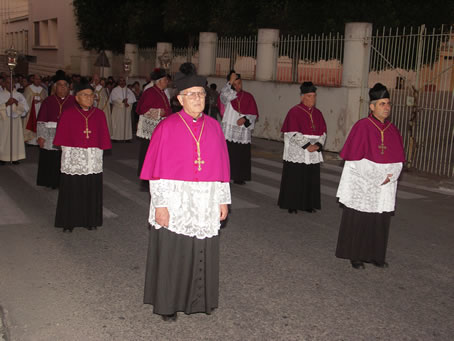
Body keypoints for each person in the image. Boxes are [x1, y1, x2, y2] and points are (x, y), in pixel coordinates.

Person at [140, 63, 231, 321]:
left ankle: (198, 300)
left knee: (201, 249)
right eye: (191, 94)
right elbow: (156, 173)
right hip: (175, 199)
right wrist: (160, 205)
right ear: (179, 99)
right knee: (174, 252)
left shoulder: (214, 127)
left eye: (201, 94)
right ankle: (168, 304)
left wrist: (223, 200)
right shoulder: (166, 127)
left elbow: (222, 167)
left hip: (205, 200)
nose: (198, 98)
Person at [335, 83, 405, 269]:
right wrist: (377, 177)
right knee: (361, 218)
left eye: (388, 103)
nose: (387, 107)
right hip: (364, 182)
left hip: (385, 183)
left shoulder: (392, 129)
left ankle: (376, 255)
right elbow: (355, 160)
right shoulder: (362, 126)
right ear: (372, 106)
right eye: (382, 103)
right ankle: (356, 255)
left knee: (380, 219)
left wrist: (391, 176)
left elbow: (399, 160)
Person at [53, 79, 111, 232]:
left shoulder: (99, 115)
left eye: (91, 95)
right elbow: (62, 139)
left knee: (92, 188)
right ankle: (69, 221)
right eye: (85, 95)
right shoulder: (68, 114)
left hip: (93, 158)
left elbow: (103, 137)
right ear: (77, 97)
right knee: (72, 188)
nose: (89, 98)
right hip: (74, 158)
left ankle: (90, 220)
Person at [278, 82, 327, 214]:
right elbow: (292, 132)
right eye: (309, 96)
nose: (312, 99)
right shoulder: (294, 111)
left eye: (314, 96)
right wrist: (307, 145)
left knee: (311, 179)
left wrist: (317, 145)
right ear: (302, 97)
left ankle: (308, 204)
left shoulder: (318, 113)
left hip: (312, 152)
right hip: (298, 152)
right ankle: (292, 204)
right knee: (295, 178)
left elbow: (323, 132)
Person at [219, 70, 258, 185]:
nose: (238, 86)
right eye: (235, 84)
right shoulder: (229, 96)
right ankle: (226, 175)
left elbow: (253, 113)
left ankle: (239, 176)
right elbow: (223, 97)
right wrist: (230, 83)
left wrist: (245, 119)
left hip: (242, 130)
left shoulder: (248, 96)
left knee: (241, 154)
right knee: (228, 153)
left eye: (239, 83)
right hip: (229, 128)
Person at [36, 73, 75, 189]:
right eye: (59, 85)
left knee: (66, 158)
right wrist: (41, 136)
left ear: (68, 88)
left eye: (65, 85)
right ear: (55, 87)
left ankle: (66, 182)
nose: (62, 88)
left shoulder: (74, 101)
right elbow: (41, 120)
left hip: (68, 135)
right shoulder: (48, 101)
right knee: (51, 159)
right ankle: (51, 182)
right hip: (50, 135)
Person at [135, 68, 172, 190]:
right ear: (160, 81)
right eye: (166, 79)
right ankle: (146, 179)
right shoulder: (150, 92)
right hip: (150, 129)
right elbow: (142, 109)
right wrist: (158, 113)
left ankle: (155, 175)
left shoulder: (161, 91)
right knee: (148, 153)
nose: (167, 82)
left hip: (159, 127)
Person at [0, 77, 29, 165]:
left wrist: (17, 103)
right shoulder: (0, 94)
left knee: (15, 138)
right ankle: (2, 157)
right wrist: (6, 104)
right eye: (8, 83)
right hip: (4, 120)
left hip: (15, 120)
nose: (10, 85)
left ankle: (15, 157)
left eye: (12, 83)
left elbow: (26, 108)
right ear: (4, 84)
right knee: (3, 139)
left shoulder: (19, 95)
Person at [109, 76, 136, 142]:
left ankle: (126, 138)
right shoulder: (115, 90)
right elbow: (114, 100)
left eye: (123, 80)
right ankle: (116, 138)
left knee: (126, 124)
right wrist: (122, 102)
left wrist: (127, 102)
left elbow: (132, 99)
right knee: (117, 123)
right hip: (118, 110)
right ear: (118, 82)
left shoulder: (128, 90)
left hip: (126, 110)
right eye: (121, 80)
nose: (122, 82)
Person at [23, 74, 47, 145]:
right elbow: (25, 100)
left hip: (40, 109)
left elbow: (46, 100)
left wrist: (42, 101)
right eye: (36, 79)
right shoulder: (28, 88)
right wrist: (32, 101)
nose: (38, 81)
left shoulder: (43, 90)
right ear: (33, 79)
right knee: (31, 123)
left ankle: (39, 140)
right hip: (31, 110)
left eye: (39, 79)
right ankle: (31, 140)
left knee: (39, 124)